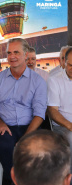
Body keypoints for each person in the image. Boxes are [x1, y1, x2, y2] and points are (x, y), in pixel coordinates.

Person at [0, 38, 47, 185]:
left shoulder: (38, 81)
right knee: (5, 145)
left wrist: (27, 136)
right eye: (9, 52)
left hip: (30, 127)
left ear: (26, 54)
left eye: (16, 52)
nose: (12, 56)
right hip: (5, 126)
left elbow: (40, 113)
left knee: (33, 149)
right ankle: (17, 180)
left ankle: (15, 180)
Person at [47, 47, 72, 177]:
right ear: (64, 62)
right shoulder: (54, 80)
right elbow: (52, 111)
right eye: (71, 65)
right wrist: (70, 126)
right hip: (62, 127)